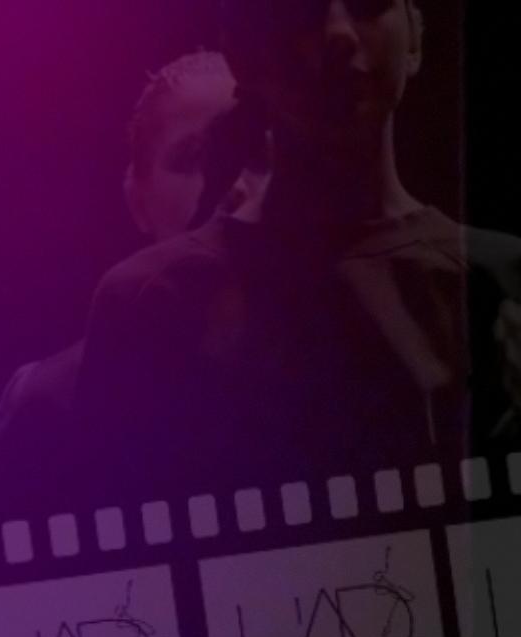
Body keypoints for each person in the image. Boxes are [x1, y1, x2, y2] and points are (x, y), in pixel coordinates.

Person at [75, 0, 521, 498]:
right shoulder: (156, 302)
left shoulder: (500, 278)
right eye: (301, 11)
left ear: (415, 38)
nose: (340, 36)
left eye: (369, 3)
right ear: (243, 56)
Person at [0, 51, 268, 468]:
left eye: (250, 151)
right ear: (139, 201)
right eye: (191, 157)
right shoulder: (47, 399)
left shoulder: (345, 345)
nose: (234, 186)